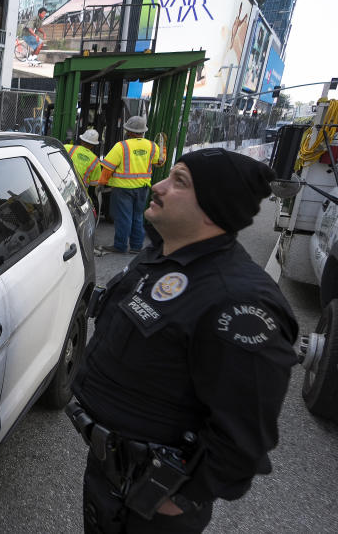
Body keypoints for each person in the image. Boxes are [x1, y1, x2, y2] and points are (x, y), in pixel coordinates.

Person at [68, 148, 298, 533]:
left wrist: (181, 498)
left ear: (213, 208)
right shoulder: (159, 258)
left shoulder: (238, 301)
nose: (157, 186)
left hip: (154, 503)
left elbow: (245, 434)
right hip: (110, 473)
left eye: (180, 181)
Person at [95, 116, 164, 253]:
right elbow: (159, 162)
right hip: (143, 188)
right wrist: (163, 151)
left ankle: (120, 246)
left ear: (129, 131)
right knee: (137, 217)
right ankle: (136, 246)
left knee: (123, 218)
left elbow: (108, 167)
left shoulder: (121, 146)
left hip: (123, 189)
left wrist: (101, 183)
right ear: (143, 131)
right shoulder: (152, 146)